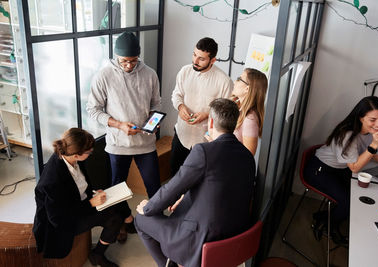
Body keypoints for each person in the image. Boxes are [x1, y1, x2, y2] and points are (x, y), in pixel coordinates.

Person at [134, 98, 256, 267]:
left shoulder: (203, 151)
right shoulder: (248, 157)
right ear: (234, 124)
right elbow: (217, 188)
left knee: (141, 220)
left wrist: (147, 208)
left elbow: (171, 189)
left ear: (211, 121)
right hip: (234, 235)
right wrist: (183, 199)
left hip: (200, 239)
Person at [87, 31, 162, 241]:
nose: (128, 65)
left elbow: (156, 103)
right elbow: (93, 109)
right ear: (115, 56)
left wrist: (153, 122)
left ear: (138, 56)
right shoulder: (104, 76)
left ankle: (157, 226)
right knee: (117, 189)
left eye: (133, 61)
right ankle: (125, 220)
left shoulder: (150, 74)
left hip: (145, 143)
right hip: (118, 144)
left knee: (155, 187)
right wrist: (119, 125)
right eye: (124, 61)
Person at [304, 96, 378, 243]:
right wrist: (374, 146)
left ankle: (325, 216)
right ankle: (328, 226)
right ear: (361, 118)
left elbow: (364, 149)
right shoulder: (347, 134)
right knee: (348, 202)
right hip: (319, 170)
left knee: (358, 197)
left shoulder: (367, 131)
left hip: (339, 169)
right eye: (372, 119)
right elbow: (355, 167)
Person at [33, 128, 129, 267]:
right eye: (89, 152)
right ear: (76, 155)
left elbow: (79, 186)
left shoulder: (71, 158)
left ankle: (127, 222)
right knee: (115, 218)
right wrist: (91, 203)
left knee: (117, 201)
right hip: (64, 223)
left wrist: (93, 193)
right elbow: (58, 219)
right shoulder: (52, 181)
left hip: (80, 204)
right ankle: (98, 255)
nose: (91, 154)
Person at [170, 37, 233, 176]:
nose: (195, 61)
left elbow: (227, 113)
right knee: (175, 176)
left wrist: (207, 114)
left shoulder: (224, 81)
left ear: (213, 60)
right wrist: (180, 107)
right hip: (181, 136)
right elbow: (176, 95)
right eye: (194, 55)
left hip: (205, 142)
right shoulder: (185, 71)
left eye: (201, 59)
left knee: (198, 182)